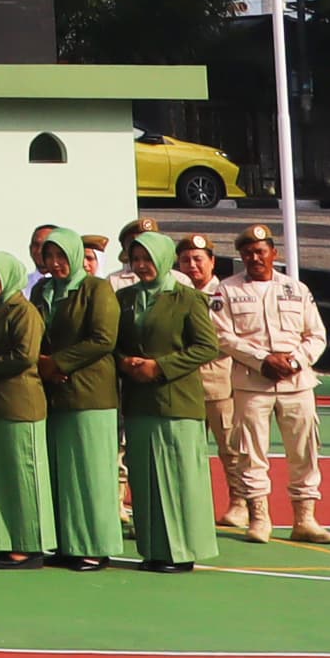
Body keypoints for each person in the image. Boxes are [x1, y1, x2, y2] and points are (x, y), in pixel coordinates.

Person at [210, 224, 330, 546]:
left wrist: (295, 360)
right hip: (252, 384)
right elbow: (222, 336)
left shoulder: (296, 289)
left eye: (261, 252)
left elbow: (316, 335)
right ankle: (259, 517)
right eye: (248, 253)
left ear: (273, 254)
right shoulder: (227, 290)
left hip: (297, 383)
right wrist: (262, 358)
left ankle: (305, 518)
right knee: (251, 453)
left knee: (304, 451)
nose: (255, 258)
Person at [113, 230, 224, 574]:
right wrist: (125, 361)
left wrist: (160, 367)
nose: (142, 266)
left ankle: (181, 550)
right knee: (145, 479)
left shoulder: (187, 298)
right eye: (136, 259)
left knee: (178, 478)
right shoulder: (126, 297)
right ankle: (154, 550)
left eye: (148, 259)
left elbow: (207, 347)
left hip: (176, 400)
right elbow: (112, 339)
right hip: (138, 399)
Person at [31, 224, 123, 571]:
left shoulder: (96, 289)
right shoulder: (42, 290)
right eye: (49, 255)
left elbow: (103, 338)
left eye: (60, 256)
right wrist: (43, 363)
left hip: (89, 392)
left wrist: (59, 362)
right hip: (54, 390)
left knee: (90, 470)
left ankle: (94, 545)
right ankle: (69, 542)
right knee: (64, 470)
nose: (55, 263)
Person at [0, 246, 53, 567]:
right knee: (4, 474)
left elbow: (25, 355)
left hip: (21, 402)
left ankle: (29, 544)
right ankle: (8, 540)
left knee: (25, 474)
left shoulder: (24, 310)